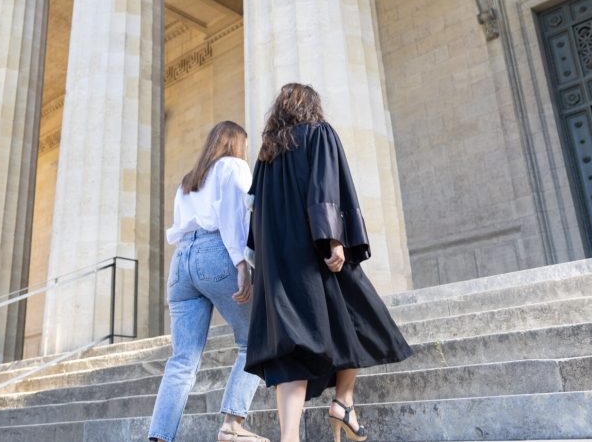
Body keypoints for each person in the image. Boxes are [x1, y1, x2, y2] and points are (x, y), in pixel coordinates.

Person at [244, 83, 413, 442]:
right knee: (357, 315)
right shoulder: (318, 133)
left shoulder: (267, 155)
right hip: (314, 253)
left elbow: (254, 211)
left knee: (292, 348)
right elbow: (325, 186)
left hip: (279, 264)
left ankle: (292, 436)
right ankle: (344, 400)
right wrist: (333, 238)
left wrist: (258, 262)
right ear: (311, 106)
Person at [148, 121, 269, 442]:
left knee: (183, 359)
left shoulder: (188, 181)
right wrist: (242, 263)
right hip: (216, 253)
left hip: (181, 263)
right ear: (236, 144)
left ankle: (160, 437)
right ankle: (232, 424)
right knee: (257, 338)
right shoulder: (233, 166)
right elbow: (234, 216)